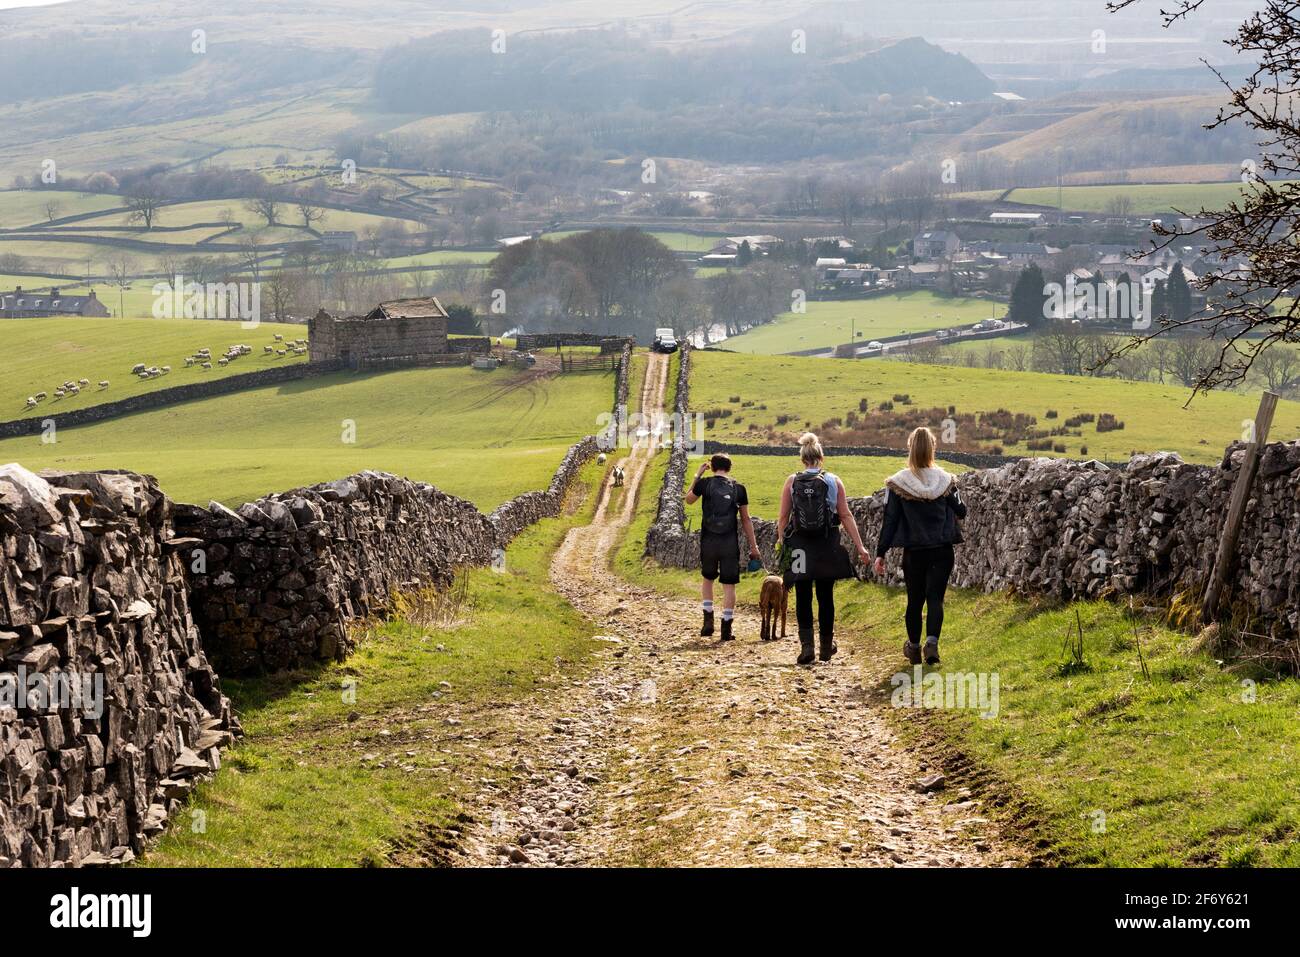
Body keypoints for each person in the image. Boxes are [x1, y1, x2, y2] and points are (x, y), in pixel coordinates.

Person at [873, 427, 966, 666]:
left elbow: (890, 520)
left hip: (914, 552)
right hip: (942, 550)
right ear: (932, 448)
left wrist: (880, 553)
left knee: (915, 600)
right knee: (935, 598)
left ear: (910, 448)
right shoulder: (946, 480)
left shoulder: (899, 483)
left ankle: (913, 648)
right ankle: (932, 645)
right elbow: (961, 510)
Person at [777, 433, 871, 665]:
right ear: (821, 457)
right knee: (825, 595)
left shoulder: (792, 481)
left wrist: (782, 544)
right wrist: (860, 546)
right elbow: (845, 515)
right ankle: (826, 647)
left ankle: (807, 647)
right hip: (827, 544)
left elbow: (783, 517)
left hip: (799, 546)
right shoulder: (833, 481)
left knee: (802, 594)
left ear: (802, 459)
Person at [686, 454, 760, 641]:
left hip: (709, 541)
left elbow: (688, 499)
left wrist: (697, 476)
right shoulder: (739, 489)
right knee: (729, 585)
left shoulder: (704, 484)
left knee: (708, 579)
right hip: (729, 542)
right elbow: (745, 519)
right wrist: (754, 546)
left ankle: (708, 622)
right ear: (729, 468)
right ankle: (726, 628)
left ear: (712, 467)